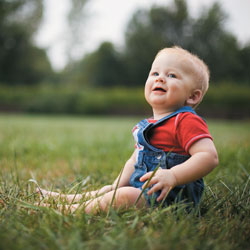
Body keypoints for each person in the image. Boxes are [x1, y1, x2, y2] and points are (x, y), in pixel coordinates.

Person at [37, 46, 219, 214]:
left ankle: (70, 210)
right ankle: (68, 199)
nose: (160, 78)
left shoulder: (185, 121)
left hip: (172, 198)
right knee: (112, 191)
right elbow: (135, 161)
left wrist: (173, 175)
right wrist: (117, 184)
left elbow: (209, 157)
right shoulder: (147, 125)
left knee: (122, 197)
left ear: (193, 96)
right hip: (144, 191)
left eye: (172, 75)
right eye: (155, 73)